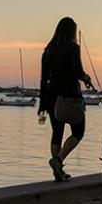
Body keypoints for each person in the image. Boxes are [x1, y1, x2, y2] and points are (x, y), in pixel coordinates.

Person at [38, 17, 92, 181]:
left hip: (51, 96)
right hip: (69, 96)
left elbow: (43, 78)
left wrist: (42, 103)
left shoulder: (48, 50)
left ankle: (58, 173)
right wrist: (86, 78)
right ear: (72, 32)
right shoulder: (73, 48)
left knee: (57, 132)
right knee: (78, 132)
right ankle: (58, 161)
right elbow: (77, 71)